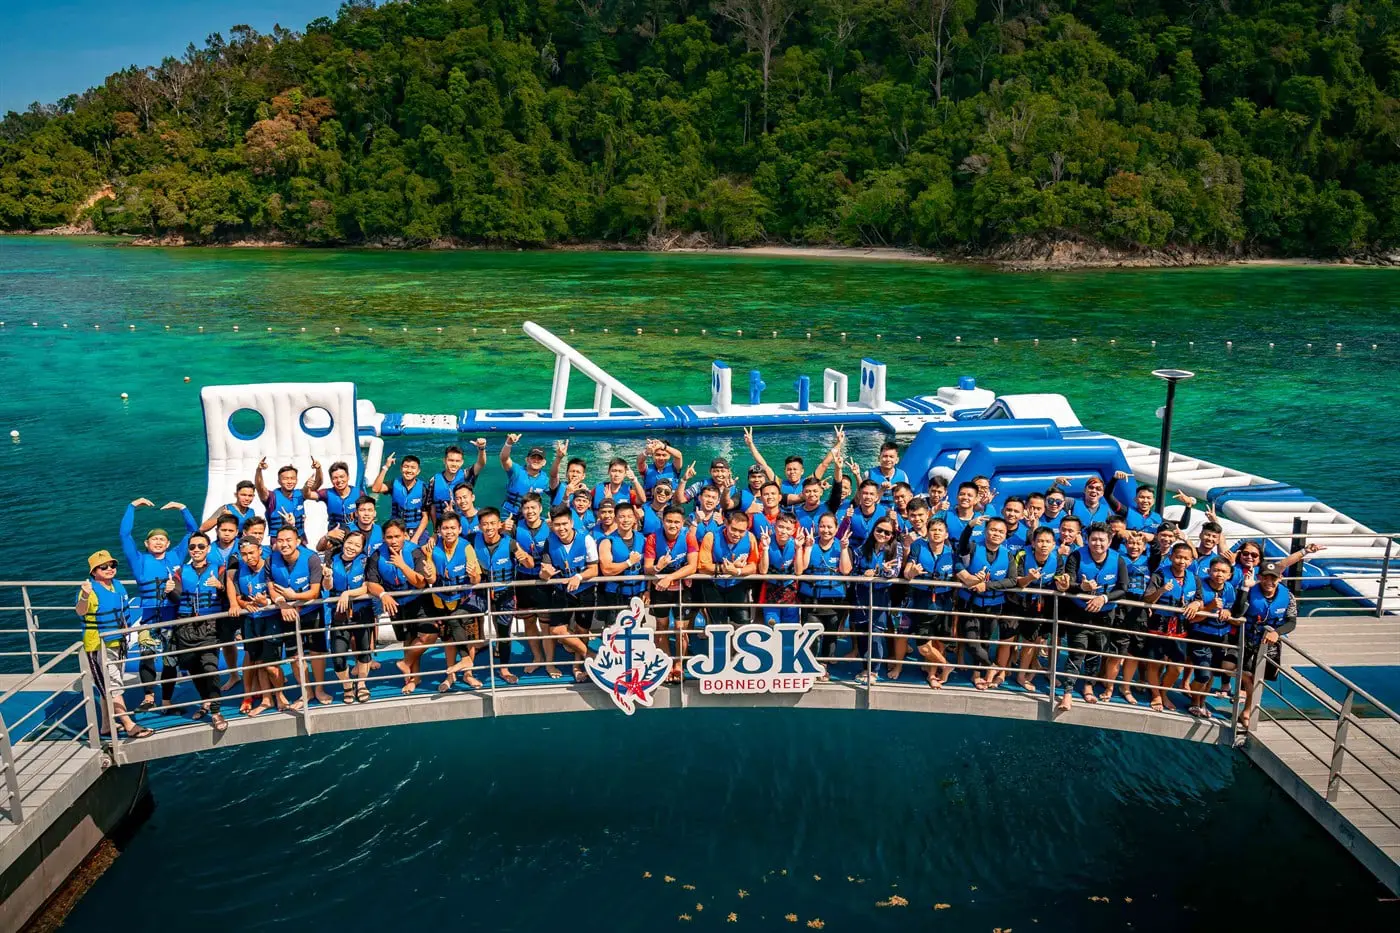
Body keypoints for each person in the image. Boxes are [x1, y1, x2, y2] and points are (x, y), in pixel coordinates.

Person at [120, 497, 198, 712]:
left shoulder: (175, 557)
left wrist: (183, 508)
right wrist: (132, 506)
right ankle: (148, 697)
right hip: (149, 619)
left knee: (170, 660)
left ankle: (167, 702)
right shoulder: (139, 561)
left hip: (172, 617)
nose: (158, 542)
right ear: (146, 544)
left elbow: (193, 532)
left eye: (162, 539)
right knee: (147, 656)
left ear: (168, 543)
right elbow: (124, 535)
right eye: (154, 539)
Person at [76, 550, 151, 739]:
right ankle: (129, 724)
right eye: (103, 567)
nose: (109, 569)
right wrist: (84, 595)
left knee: (107, 687)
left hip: (118, 643)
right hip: (99, 646)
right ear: (94, 571)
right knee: (113, 686)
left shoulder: (117, 586)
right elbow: (80, 611)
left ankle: (106, 725)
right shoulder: (89, 591)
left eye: (112, 565)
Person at [1054, 522, 1128, 710]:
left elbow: (1123, 588)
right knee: (1076, 652)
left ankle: (1089, 686)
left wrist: (1104, 598)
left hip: (1104, 614)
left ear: (1109, 541)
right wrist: (1082, 587)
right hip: (1079, 612)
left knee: (1096, 652)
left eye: (1102, 540)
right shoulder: (1076, 556)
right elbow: (1068, 582)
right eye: (1094, 539)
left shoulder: (1118, 560)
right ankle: (1067, 692)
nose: (1097, 543)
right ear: (1087, 540)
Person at [165, 532, 227, 730]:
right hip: (185, 626)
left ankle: (216, 712)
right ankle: (205, 701)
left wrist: (220, 586)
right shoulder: (181, 571)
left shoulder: (219, 569)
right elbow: (176, 597)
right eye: (192, 547)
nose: (196, 550)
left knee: (210, 667)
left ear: (208, 549)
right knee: (193, 667)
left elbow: (229, 594)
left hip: (210, 626)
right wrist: (169, 590)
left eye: (201, 546)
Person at [420, 512, 484, 692]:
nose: (449, 532)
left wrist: (473, 575)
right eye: (445, 528)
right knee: (448, 638)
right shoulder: (433, 548)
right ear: (439, 530)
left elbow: (477, 579)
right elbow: (432, 578)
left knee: (469, 637)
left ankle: (468, 673)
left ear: (460, 529)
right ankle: (450, 674)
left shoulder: (467, 548)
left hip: (463, 600)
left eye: (453, 528)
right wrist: (428, 574)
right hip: (441, 601)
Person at [367, 520, 432, 693]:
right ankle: (412, 678)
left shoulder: (415, 552)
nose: (394, 541)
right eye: (389, 537)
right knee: (408, 640)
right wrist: (383, 595)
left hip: (418, 600)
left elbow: (421, 582)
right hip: (395, 603)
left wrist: (402, 565)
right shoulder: (376, 556)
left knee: (429, 634)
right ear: (383, 538)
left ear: (404, 535)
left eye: (397, 536)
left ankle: (405, 663)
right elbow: (371, 583)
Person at [268, 525, 330, 707]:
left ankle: (319, 689)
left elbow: (314, 591)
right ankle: (306, 691)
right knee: (295, 655)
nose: (284, 544)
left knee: (317, 651)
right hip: (287, 614)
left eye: (288, 540)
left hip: (311, 612)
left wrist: (294, 596)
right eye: (280, 541)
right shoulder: (271, 560)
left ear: (297, 541)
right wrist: (282, 604)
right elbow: (271, 588)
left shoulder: (311, 558)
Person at [225, 535, 286, 716]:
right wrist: (245, 604)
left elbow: (281, 595)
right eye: (244, 554)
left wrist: (266, 602)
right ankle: (267, 699)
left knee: (271, 665)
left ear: (260, 550)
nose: (248, 557)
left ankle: (280, 695)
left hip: (271, 619)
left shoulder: (270, 568)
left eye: (251, 553)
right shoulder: (239, 571)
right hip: (251, 621)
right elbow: (238, 597)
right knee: (258, 662)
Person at [537, 505, 598, 683]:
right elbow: (544, 572)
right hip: (562, 592)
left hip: (584, 591)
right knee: (556, 630)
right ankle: (590, 655)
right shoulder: (550, 542)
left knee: (582, 630)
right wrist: (545, 574)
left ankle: (577, 668)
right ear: (552, 525)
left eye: (564, 524)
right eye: (557, 525)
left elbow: (594, 569)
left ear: (571, 523)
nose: (561, 528)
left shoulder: (586, 539)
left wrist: (578, 577)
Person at [1233, 560, 1297, 729]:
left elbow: (1291, 622)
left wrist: (1277, 632)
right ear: (1259, 577)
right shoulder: (1248, 590)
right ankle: (1245, 696)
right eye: (1265, 578)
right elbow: (1237, 612)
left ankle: (1247, 711)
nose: (1269, 582)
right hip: (1247, 639)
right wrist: (1245, 588)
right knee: (1240, 672)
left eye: (1273, 578)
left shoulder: (1288, 596)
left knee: (1259, 679)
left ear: (1280, 578)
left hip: (1270, 643)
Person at [1142, 542, 1203, 713]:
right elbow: (1147, 599)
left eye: (1186, 558)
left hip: (1180, 627)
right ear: (1171, 557)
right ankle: (1156, 695)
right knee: (1154, 663)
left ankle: (1164, 692)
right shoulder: (1159, 575)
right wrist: (1161, 590)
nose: (1181, 561)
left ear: (1191, 561)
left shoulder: (1195, 579)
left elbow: (1200, 599)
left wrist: (1196, 604)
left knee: (1177, 667)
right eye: (1178, 557)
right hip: (1158, 624)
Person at [955, 516, 1014, 690]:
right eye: (993, 530)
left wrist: (987, 586)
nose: (996, 534)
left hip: (994, 605)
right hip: (971, 603)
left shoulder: (1008, 555)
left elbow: (1012, 580)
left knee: (986, 640)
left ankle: (977, 674)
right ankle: (992, 666)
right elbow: (962, 545)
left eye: (1001, 531)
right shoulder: (973, 547)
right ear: (986, 531)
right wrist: (970, 526)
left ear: (1005, 535)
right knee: (972, 642)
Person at [322, 530, 377, 703]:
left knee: (364, 652)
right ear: (344, 542)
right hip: (339, 614)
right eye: (350, 543)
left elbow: (367, 587)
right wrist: (327, 576)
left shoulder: (366, 561)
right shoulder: (332, 559)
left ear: (362, 548)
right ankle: (347, 686)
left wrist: (348, 593)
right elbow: (327, 587)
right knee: (338, 656)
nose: (352, 547)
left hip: (362, 612)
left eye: (357, 545)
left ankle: (361, 684)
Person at [468, 508, 522, 684]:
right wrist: (433, 539)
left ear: (500, 524)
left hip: (505, 593)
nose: (489, 527)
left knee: (504, 632)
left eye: (492, 523)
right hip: (481, 592)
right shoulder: (472, 540)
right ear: (479, 526)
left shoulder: (511, 543)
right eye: (485, 524)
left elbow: (528, 563)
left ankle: (504, 668)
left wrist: (525, 557)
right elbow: (451, 540)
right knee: (465, 620)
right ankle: (468, 669)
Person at [849, 515, 904, 684]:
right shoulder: (862, 548)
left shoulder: (896, 548)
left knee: (876, 633)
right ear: (874, 530)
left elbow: (894, 572)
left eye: (887, 533)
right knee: (863, 633)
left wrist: (881, 571)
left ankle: (874, 670)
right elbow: (853, 571)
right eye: (879, 530)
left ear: (892, 535)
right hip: (861, 594)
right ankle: (865, 667)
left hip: (881, 595)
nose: (882, 534)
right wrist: (863, 575)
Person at [795, 512, 850, 678]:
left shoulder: (842, 545)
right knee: (812, 634)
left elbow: (846, 570)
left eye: (829, 527)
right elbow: (801, 569)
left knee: (830, 635)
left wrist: (844, 549)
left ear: (836, 528)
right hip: (811, 599)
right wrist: (806, 548)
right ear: (817, 527)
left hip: (834, 600)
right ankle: (810, 664)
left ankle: (824, 664)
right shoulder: (810, 543)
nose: (826, 530)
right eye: (822, 526)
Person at [647, 504, 699, 679]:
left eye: (677, 522)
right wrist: (658, 567)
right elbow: (647, 567)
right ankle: (667, 663)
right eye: (669, 521)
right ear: (663, 521)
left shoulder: (689, 537)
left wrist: (670, 577)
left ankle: (679, 664)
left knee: (680, 628)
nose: (673, 525)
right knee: (661, 626)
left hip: (682, 588)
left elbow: (692, 566)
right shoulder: (653, 538)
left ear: (682, 523)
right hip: (660, 589)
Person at [904, 516, 957, 688]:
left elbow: (961, 575)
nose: (936, 533)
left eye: (940, 530)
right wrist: (913, 572)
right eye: (933, 530)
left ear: (946, 534)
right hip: (923, 601)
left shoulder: (952, 553)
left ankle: (932, 675)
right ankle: (946, 665)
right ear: (927, 533)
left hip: (944, 601)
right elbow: (907, 573)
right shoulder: (918, 547)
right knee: (924, 646)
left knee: (939, 642)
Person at [1185, 555, 1239, 716]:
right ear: (1209, 571)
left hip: (1221, 637)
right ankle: (1194, 701)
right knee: (1203, 675)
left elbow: (1232, 610)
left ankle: (1202, 702)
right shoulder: (1199, 586)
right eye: (1216, 570)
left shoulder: (1230, 589)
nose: (1219, 574)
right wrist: (1210, 607)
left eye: (1223, 571)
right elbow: (1192, 618)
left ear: (1229, 575)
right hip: (1201, 635)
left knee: (1212, 674)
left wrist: (1228, 611)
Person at [1010, 526, 1059, 691]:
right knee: (1025, 640)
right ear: (1033, 543)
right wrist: (1029, 578)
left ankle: (1031, 669)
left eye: (1048, 541)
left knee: (1037, 639)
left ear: (1053, 544)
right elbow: (1017, 581)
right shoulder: (1022, 555)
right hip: (1022, 602)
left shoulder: (1057, 558)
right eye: (1040, 541)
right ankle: (1019, 675)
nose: (1044, 545)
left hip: (1045, 603)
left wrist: (1064, 584)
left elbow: (1061, 583)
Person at [512, 493, 554, 677]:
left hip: (545, 581)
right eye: (526, 508)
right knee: (529, 621)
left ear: (540, 509)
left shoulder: (550, 528)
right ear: (522, 510)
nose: (530, 511)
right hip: (523, 579)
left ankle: (550, 663)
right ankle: (537, 657)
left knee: (546, 624)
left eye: (533, 508)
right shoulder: (515, 528)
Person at [696, 510, 758, 624]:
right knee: (718, 625)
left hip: (737, 585)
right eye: (733, 529)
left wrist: (737, 571)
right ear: (726, 524)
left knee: (742, 623)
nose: (737, 534)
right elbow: (702, 567)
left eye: (741, 531)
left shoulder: (750, 538)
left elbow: (753, 566)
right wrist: (725, 569)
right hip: (714, 586)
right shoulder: (711, 536)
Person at [599, 501, 649, 626]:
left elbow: (647, 567)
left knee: (637, 628)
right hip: (615, 594)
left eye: (629, 516)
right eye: (621, 517)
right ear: (615, 519)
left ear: (634, 519)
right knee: (614, 630)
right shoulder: (607, 542)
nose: (626, 520)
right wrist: (629, 562)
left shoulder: (643, 540)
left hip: (637, 593)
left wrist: (647, 590)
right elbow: (606, 569)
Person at [255, 457, 321, 542]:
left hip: (299, 539)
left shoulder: (301, 494)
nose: (289, 482)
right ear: (279, 481)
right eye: (285, 479)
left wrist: (318, 469)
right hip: (279, 542)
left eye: (292, 478)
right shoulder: (272, 497)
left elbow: (317, 484)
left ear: (296, 480)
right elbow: (260, 488)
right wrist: (259, 470)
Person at [372, 454, 429, 545]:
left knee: (424, 550)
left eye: (413, 468)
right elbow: (375, 489)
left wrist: (415, 538)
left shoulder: (424, 488)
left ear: (418, 471)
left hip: (416, 529)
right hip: (396, 527)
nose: (409, 470)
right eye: (406, 467)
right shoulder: (394, 483)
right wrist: (386, 467)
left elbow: (425, 517)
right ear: (401, 468)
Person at [756, 513, 801, 625]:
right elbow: (763, 571)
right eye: (780, 527)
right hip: (770, 592)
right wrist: (765, 548)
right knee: (772, 626)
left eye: (788, 529)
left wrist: (799, 549)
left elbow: (799, 571)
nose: (783, 531)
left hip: (790, 592)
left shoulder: (796, 543)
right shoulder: (766, 541)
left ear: (793, 531)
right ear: (774, 526)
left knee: (790, 628)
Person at [428, 441, 486, 525]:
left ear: (462, 462)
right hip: (444, 525)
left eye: (457, 461)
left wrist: (481, 448)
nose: (454, 464)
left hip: (465, 522)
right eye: (451, 460)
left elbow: (481, 464)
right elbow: (431, 507)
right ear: (444, 460)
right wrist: (435, 528)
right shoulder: (434, 480)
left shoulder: (467, 475)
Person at [500, 435, 553, 520]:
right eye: (533, 457)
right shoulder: (516, 471)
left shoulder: (545, 480)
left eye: (539, 459)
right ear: (527, 459)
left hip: (531, 516)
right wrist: (508, 443)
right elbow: (504, 459)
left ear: (544, 462)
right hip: (509, 515)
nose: (536, 460)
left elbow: (557, 495)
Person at [308, 461, 360, 534]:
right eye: (335, 478)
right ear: (331, 480)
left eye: (342, 477)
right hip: (335, 535)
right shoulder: (326, 493)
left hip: (355, 535)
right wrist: (318, 470)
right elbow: (309, 495)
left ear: (348, 477)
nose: (339, 480)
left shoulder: (359, 493)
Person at [838, 479, 888, 550]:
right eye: (865, 493)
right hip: (855, 551)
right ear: (859, 495)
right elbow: (839, 536)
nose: (868, 497)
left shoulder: (884, 513)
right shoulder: (851, 514)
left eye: (871, 494)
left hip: (876, 550)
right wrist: (846, 520)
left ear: (876, 497)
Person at [868, 441, 909, 507]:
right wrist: (881, 490)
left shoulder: (903, 476)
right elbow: (862, 498)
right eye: (885, 456)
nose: (888, 459)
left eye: (891, 457)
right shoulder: (869, 475)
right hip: (875, 510)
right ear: (879, 458)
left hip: (896, 510)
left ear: (897, 460)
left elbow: (907, 499)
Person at [550, 440, 589, 507]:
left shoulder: (586, 492)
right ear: (566, 474)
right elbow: (553, 475)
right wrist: (559, 458)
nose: (574, 474)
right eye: (572, 471)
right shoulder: (558, 487)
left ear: (583, 476)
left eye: (578, 472)